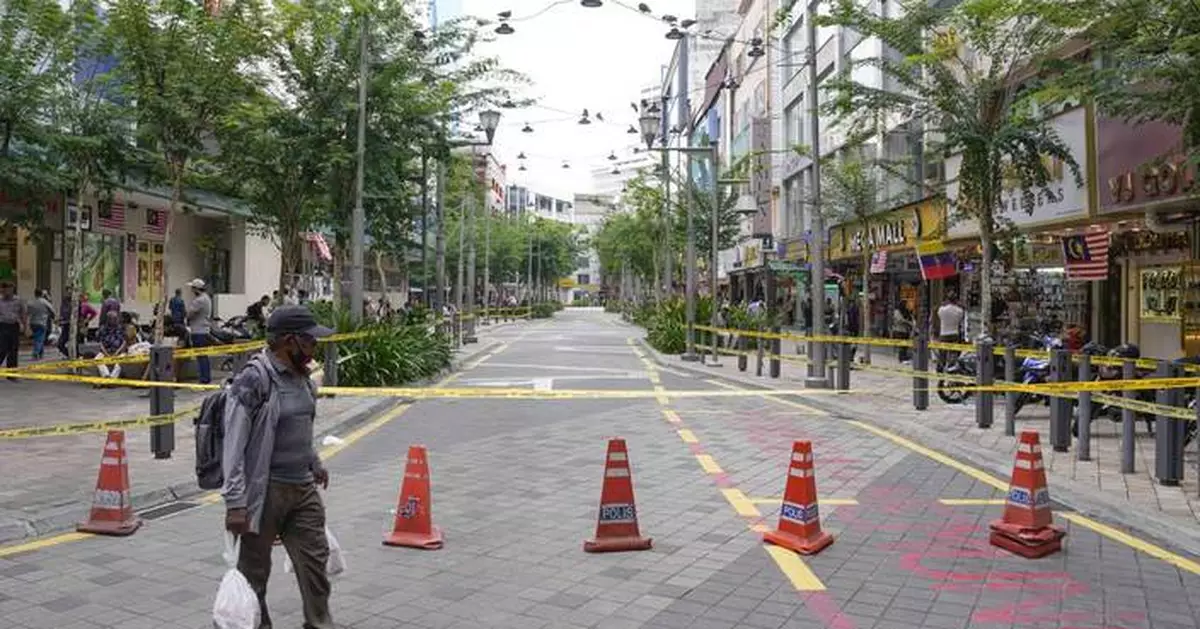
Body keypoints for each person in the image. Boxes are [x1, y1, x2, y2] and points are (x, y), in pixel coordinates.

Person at [223, 305, 335, 629]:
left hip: (302, 489)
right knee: (253, 575)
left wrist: (314, 462)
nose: (315, 347)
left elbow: (301, 427)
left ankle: (319, 624)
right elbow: (234, 443)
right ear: (289, 341)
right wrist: (235, 502)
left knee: (316, 563)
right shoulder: (253, 379)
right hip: (265, 492)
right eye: (311, 341)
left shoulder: (303, 378)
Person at [185, 278, 213, 384]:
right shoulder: (207, 298)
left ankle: (204, 379)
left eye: (192, 288)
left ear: (196, 289)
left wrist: (186, 316)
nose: (192, 291)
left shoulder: (199, 300)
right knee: (203, 356)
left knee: (201, 356)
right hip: (204, 330)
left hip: (198, 331)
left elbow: (189, 314)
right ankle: (205, 378)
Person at [934, 291, 967, 370]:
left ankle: (940, 376)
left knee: (942, 357)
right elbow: (960, 319)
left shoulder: (942, 310)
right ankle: (952, 373)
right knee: (953, 356)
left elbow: (938, 314)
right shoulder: (959, 310)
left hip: (944, 334)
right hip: (954, 334)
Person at [0, 280, 27, 373]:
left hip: (14, 326)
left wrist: (25, 326)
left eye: (7, 289)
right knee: (2, 349)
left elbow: (23, 314)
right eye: (3, 289)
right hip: (2, 326)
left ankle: (12, 372)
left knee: (13, 350)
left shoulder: (18, 300)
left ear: (12, 290)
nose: (4, 292)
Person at [95, 311, 126, 381]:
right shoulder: (103, 329)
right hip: (105, 351)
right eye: (113, 319)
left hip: (118, 351)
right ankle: (106, 375)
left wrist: (117, 352)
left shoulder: (120, 328)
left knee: (122, 358)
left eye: (116, 318)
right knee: (97, 359)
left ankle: (113, 378)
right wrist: (106, 353)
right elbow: (100, 343)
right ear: (108, 319)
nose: (115, 320)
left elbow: (124, 342)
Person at [27, 288, 55, 360]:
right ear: (42, 294)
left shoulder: (31, 302)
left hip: (33, 322)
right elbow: (52, 310)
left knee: (39, 338)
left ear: (35, 294)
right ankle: (36, 353)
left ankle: (41, 353)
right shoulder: (44, 302)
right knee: (39, 339)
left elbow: (27, 312)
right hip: (42, 322)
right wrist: (53, 317)